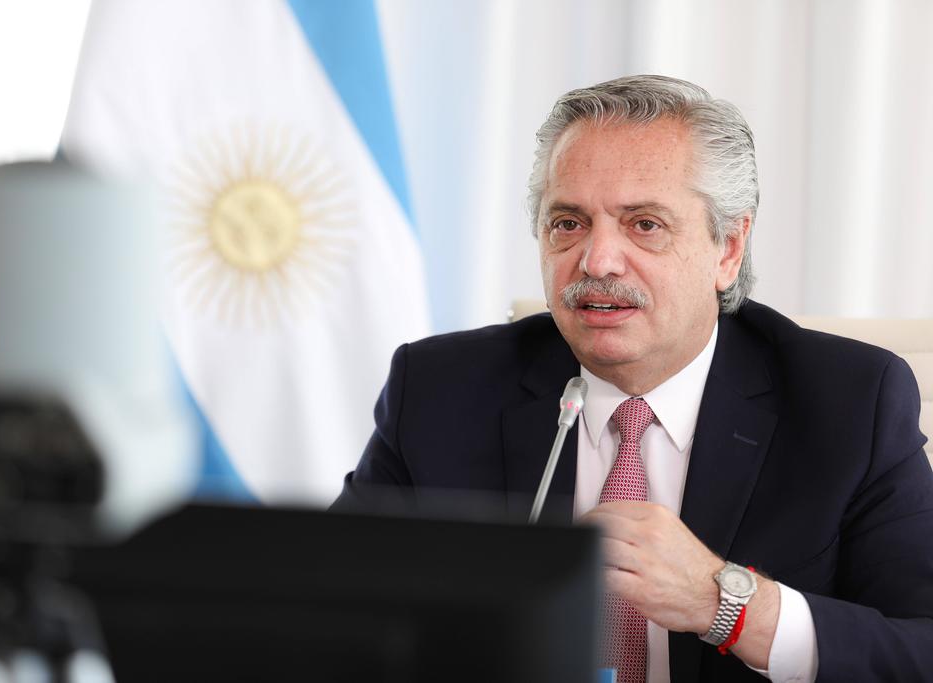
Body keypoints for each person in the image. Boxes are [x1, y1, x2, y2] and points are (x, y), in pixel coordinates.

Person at [332, 75, 933, 682]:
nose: (597, 261)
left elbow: (920, 649)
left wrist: (724, 604)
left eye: (644, 224)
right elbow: (328, 616)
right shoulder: (439, 390)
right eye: (568, 223)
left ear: (728, 249)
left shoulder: (851, 403)